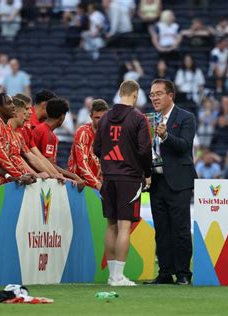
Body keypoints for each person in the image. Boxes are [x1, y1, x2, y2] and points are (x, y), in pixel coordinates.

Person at [93, 80, 152, 286]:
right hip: (129, 177)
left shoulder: (106, 117)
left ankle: (112, 275)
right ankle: (118, 276)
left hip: (108, 176)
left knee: (111, 225)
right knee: (124, 227)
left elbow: (96, 148)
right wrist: (147, 172)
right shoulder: (138, 118)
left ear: (120, 93)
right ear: (135, 95)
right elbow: (145, 149)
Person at [144, 79, 197, 286]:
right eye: (151, 94)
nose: (154, 98)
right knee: (162, 230)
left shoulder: (186, 117)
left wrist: (165, 136)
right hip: (156, 181)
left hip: (179, 182)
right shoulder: (148, 120)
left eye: (158, 93)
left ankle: (184, 273)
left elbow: (185, 146)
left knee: (181, 229)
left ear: (170, 96)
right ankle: (165, 273)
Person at [32, 98, 85, 189]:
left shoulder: (41, 129)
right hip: (41, 181)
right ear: (62, 117)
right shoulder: (48, 135)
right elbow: (49, 164)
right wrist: (73, 176)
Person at [68, 99, 109, 189]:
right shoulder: (83, 132)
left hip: (98, 185)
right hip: (80, 185)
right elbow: (82, 162)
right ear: (91, 116)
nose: (101, 121)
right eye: (97, 118)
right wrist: (96, 183)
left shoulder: (109, 134)